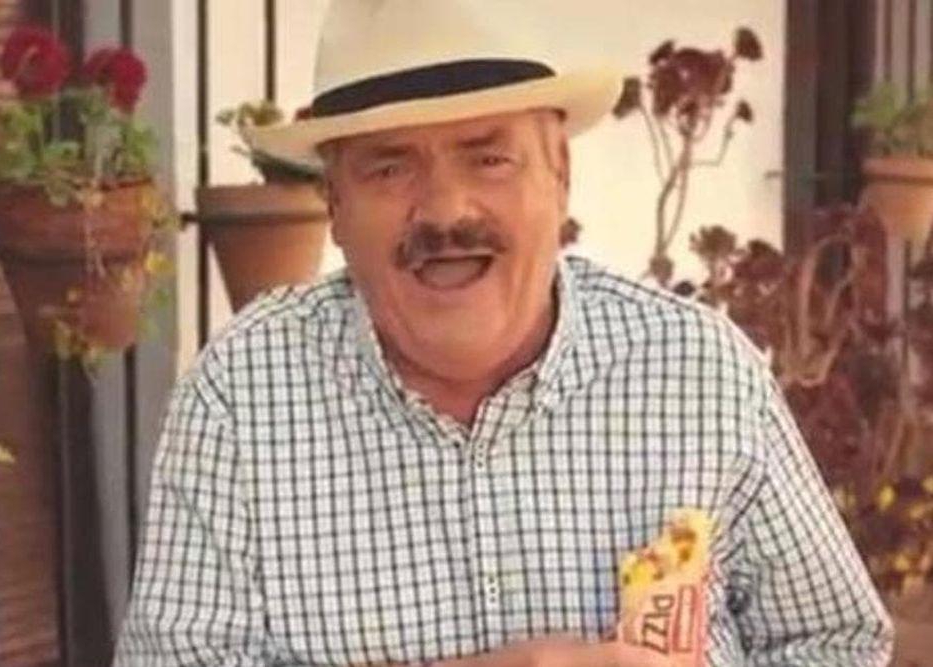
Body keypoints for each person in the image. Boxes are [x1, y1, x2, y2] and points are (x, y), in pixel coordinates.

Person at [114, 1, 893, 665]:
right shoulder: (241, 398)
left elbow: (837, 640)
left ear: (560, 177)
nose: (445, 210)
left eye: (489, 158)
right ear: (336, 207)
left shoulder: (699, 370)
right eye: (389, 168)